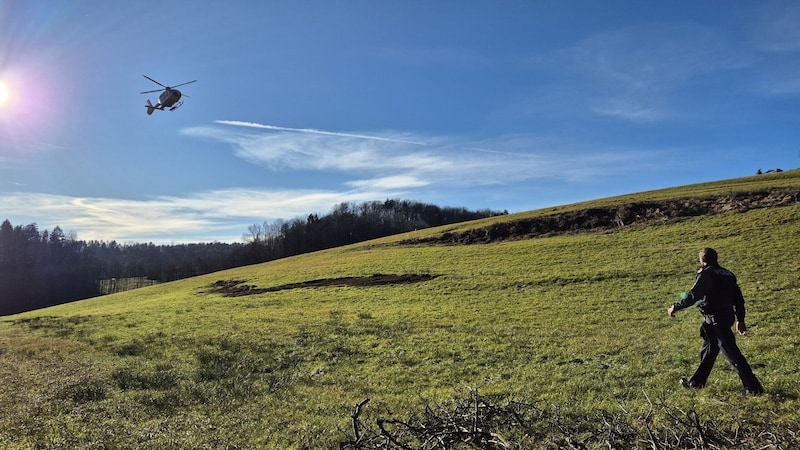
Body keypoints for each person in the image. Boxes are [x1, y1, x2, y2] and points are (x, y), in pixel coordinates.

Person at [667, 248, 764, 395]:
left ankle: (754, 389)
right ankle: (696, 382)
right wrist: (740, 319)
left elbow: (693, 295)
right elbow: (738, 299)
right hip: (725, 317)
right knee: (708, 351)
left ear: (702, 260)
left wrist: (675, 306)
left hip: (715, 320)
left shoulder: (706, 274)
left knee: (733, 355)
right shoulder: (728, 274)